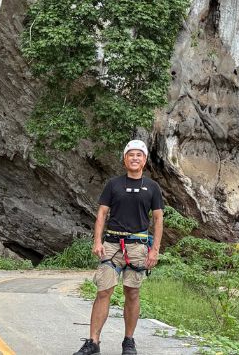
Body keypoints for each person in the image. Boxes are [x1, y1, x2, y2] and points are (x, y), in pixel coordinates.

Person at [73, 139, 164, 355]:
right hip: (112, 244)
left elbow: (158, 220)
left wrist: (155, 250)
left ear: (144, 160)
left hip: (138, 246)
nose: (134, 158)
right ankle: (93, 342)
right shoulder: (113, 184)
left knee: (132, 293)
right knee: (103, 291)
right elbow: (102, 213)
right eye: (130, 155)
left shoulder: (152, 187)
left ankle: (128, 341)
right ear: (124, 159)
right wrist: (97, 241)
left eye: (139, 155)